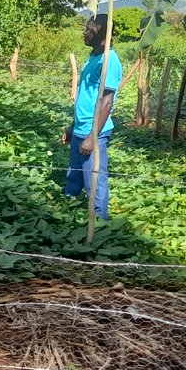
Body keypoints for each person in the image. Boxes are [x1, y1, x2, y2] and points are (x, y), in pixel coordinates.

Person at [63, 13, 122, 219]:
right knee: (74, 175)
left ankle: (99, 222)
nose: (85, 33)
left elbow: (106, 102)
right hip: (81, 128)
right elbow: (86, 96)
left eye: (90, 30)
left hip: (94, 132)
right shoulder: (94, 57)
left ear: (103, 34)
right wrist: (73, 126)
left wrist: (92, 137)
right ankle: (66, 213)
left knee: (94, 180)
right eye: (85, 28)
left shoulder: (109, 61)